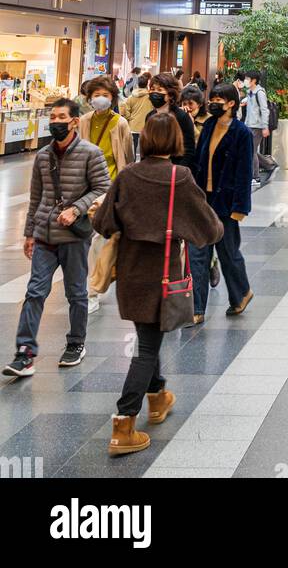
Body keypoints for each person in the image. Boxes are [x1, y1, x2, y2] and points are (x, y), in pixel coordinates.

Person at [92, 111, 223, 455]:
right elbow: (210, 229)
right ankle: (123, 422)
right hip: (163, 276)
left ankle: (159, 396)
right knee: (147, 347)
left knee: (147, 337)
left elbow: (104, 222)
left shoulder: (128, 176)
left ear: (146, 139)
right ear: (177, 141)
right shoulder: (180, 177)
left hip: (131, 274)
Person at [3, 99, 110, 379]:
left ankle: (76, 343)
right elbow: (36, 197)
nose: (56, 121)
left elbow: (102, 187)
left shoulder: (91, 153)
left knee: (76, 293)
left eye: (61, 116)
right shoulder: (42, 155)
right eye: (53, 116)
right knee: (35, 292)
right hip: (44, 235)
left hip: (74, 237)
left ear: (74, 121)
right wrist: (29, 233)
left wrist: (77, 209)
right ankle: (24, 353)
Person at [190, 83, 254, 322]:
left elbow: (244, 173)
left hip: (225, 203)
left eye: (220, 99)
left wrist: (240, 207)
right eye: (212, 98)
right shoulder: (208, 126)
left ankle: (241, 294)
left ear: (231, 104)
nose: (214, 102)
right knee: (197, 254)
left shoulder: (242, 133)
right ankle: (196, 308)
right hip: (203, 200)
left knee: (228, 253)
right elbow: (198, 161)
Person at [79, 77, 135, 314]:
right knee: (85, 242)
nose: (100, 98)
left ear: (113, 97)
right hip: (83, 188)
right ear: (89, 98)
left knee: (98, 239)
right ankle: (94, 281)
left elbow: (129, 158)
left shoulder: (120, 123)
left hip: (108, 188)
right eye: (96, 94)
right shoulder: (83, 121)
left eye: (105, 94)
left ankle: (92, 290)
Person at [148, 71, 196, 169]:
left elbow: (189, 150)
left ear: (170, 94)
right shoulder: (149, 116)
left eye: (160, 90)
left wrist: (179, 171)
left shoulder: (182, 117)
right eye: (152, 89)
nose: (155, 93)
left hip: (175, 171)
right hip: (152, 170)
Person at [243, 70, 277, 187]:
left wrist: (265, 126)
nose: (245, 81)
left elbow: (264, 110)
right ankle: (270, 166)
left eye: (247, 79)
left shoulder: (260, 93)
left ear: (254, 81)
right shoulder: (250, 92)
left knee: (251, 151)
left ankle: (256, 177)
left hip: (257, 126)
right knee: (250, 150)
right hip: (249, 125)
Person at [121, 72, 153, 158]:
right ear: (147, 84)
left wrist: (130, 118)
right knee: (145, 147)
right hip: (146, 126)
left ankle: (133, 162)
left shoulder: (131, 97)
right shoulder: (150, 97)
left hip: (133, 126)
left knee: (133, 148)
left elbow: (125, 110)